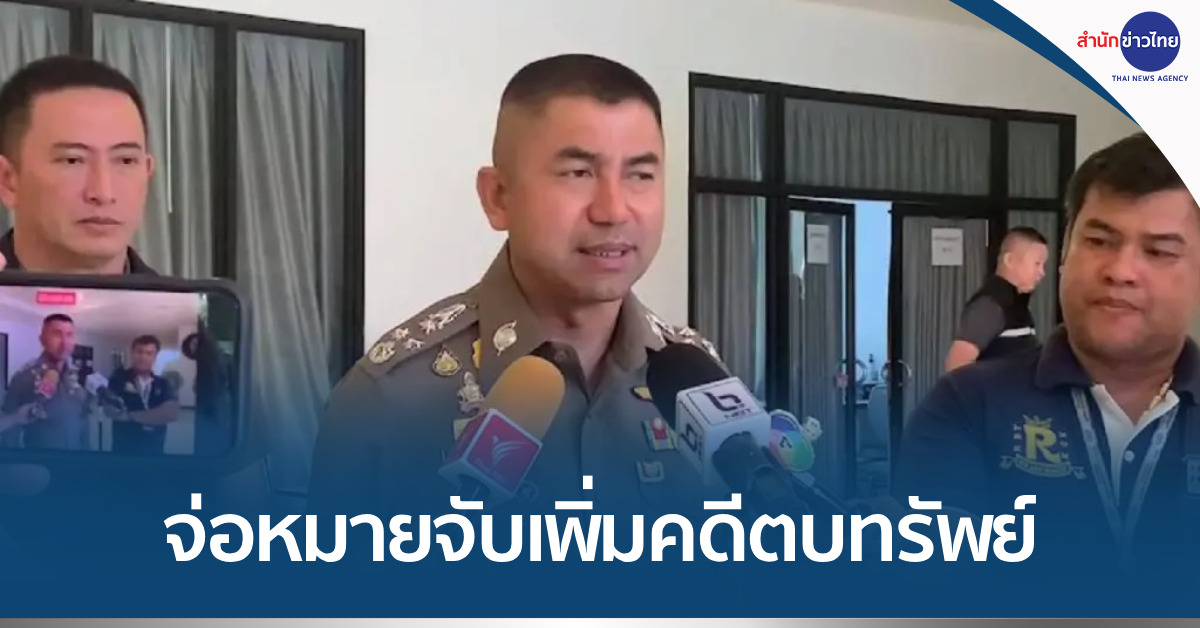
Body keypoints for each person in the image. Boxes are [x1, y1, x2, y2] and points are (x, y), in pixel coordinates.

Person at [309, 54, 722, 517]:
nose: (613, 210)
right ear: (498, 197)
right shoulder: (391, 399)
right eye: (578, 173)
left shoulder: (701, 387)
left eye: (640, 175)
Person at [896, 132, 1200, 575]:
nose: (1120, 271)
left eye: (1158, 251)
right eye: (1099, 241)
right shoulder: (965, 408)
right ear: (1065, 256)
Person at [943, 226, 1048, 372]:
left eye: (1043, 265)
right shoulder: (990, 306)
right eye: (1037, 263)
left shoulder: (1016, 304)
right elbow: (956, 366)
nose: (1042, 272)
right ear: (1009, 260)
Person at [0, 313, 95, 451]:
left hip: (77, 460)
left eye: (69, 335)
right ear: (42, 340)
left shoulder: (80, 378)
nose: (64, 343)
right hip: (41, 462)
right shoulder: (23, 378)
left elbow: (83, 423)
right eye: (57, 335)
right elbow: (10, 434)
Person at [105, 334, 181, 455]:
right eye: (139, 352)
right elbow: (111, 411)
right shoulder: (117, 380)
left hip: (155, 447)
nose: (143, 357)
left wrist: (130, 416)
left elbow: (171, 413)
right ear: (132, 353)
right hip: (124, 447)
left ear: (155, 356)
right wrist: (155, 415)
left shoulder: (163, 383)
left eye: (149, 353)